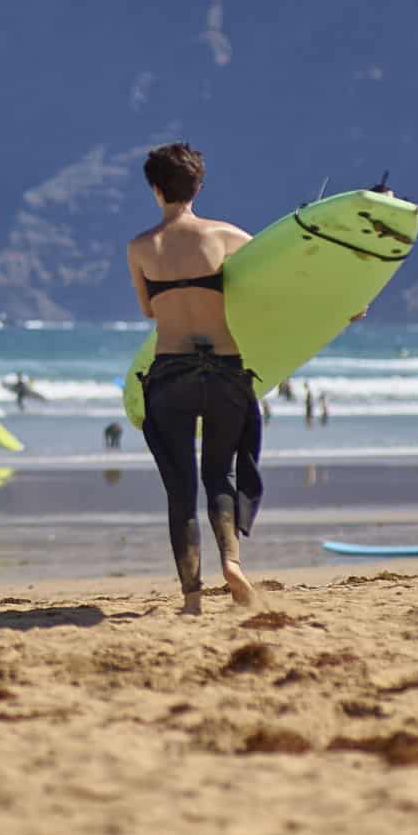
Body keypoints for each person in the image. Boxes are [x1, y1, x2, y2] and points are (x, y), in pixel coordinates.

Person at [126, 141, 265, 615]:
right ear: (199, 185)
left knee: (180, 487)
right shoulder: (227, 237)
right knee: (220, 473)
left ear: (155, 188)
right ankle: (232, 562)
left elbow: (149, 310)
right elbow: (281, 283)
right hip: (226, 370)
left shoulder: (142, 247)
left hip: (170, 375)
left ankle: (191, 598)